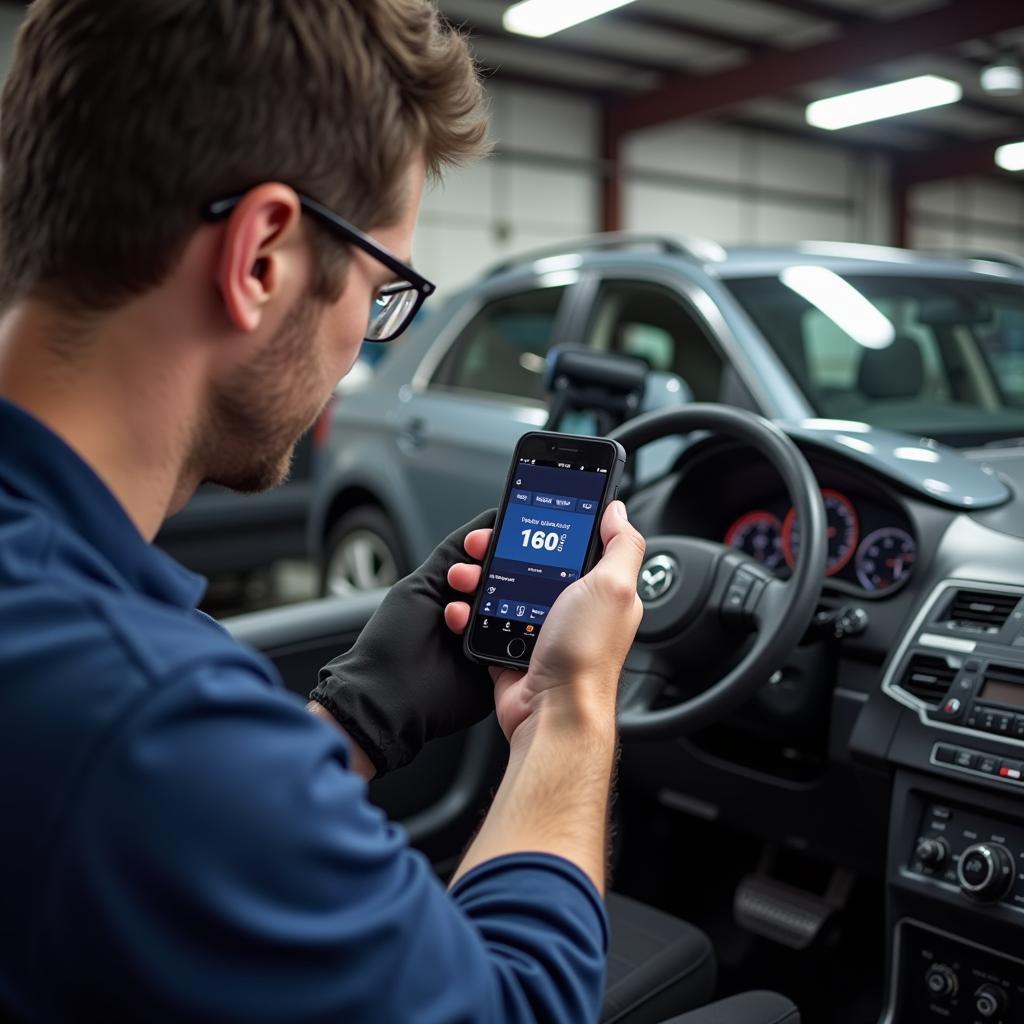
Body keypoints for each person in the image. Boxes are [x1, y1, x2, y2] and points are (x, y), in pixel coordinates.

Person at [0, 1, 646, 1021]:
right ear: (262, 256)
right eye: (384, 292)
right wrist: (570, 710)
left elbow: (154, 843)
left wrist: (349, 719)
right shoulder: (139, 713)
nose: (362, 346)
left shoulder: (84, 653)